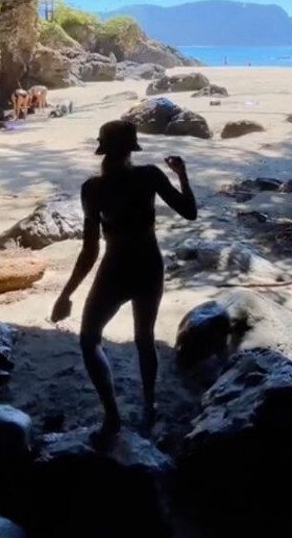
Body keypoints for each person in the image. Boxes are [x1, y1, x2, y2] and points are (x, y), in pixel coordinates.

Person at [50, 120, 197, 438]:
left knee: (90, 339)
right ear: (132, 148)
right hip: (148, 264)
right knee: (145, 337)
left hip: (114, 268)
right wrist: (182, 175)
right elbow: (189, 211)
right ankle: (149, 406)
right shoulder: (149, 176)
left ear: (102, 149)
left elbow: (89, 251)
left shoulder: (93, 189)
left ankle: (112, 415)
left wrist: (66, 294)